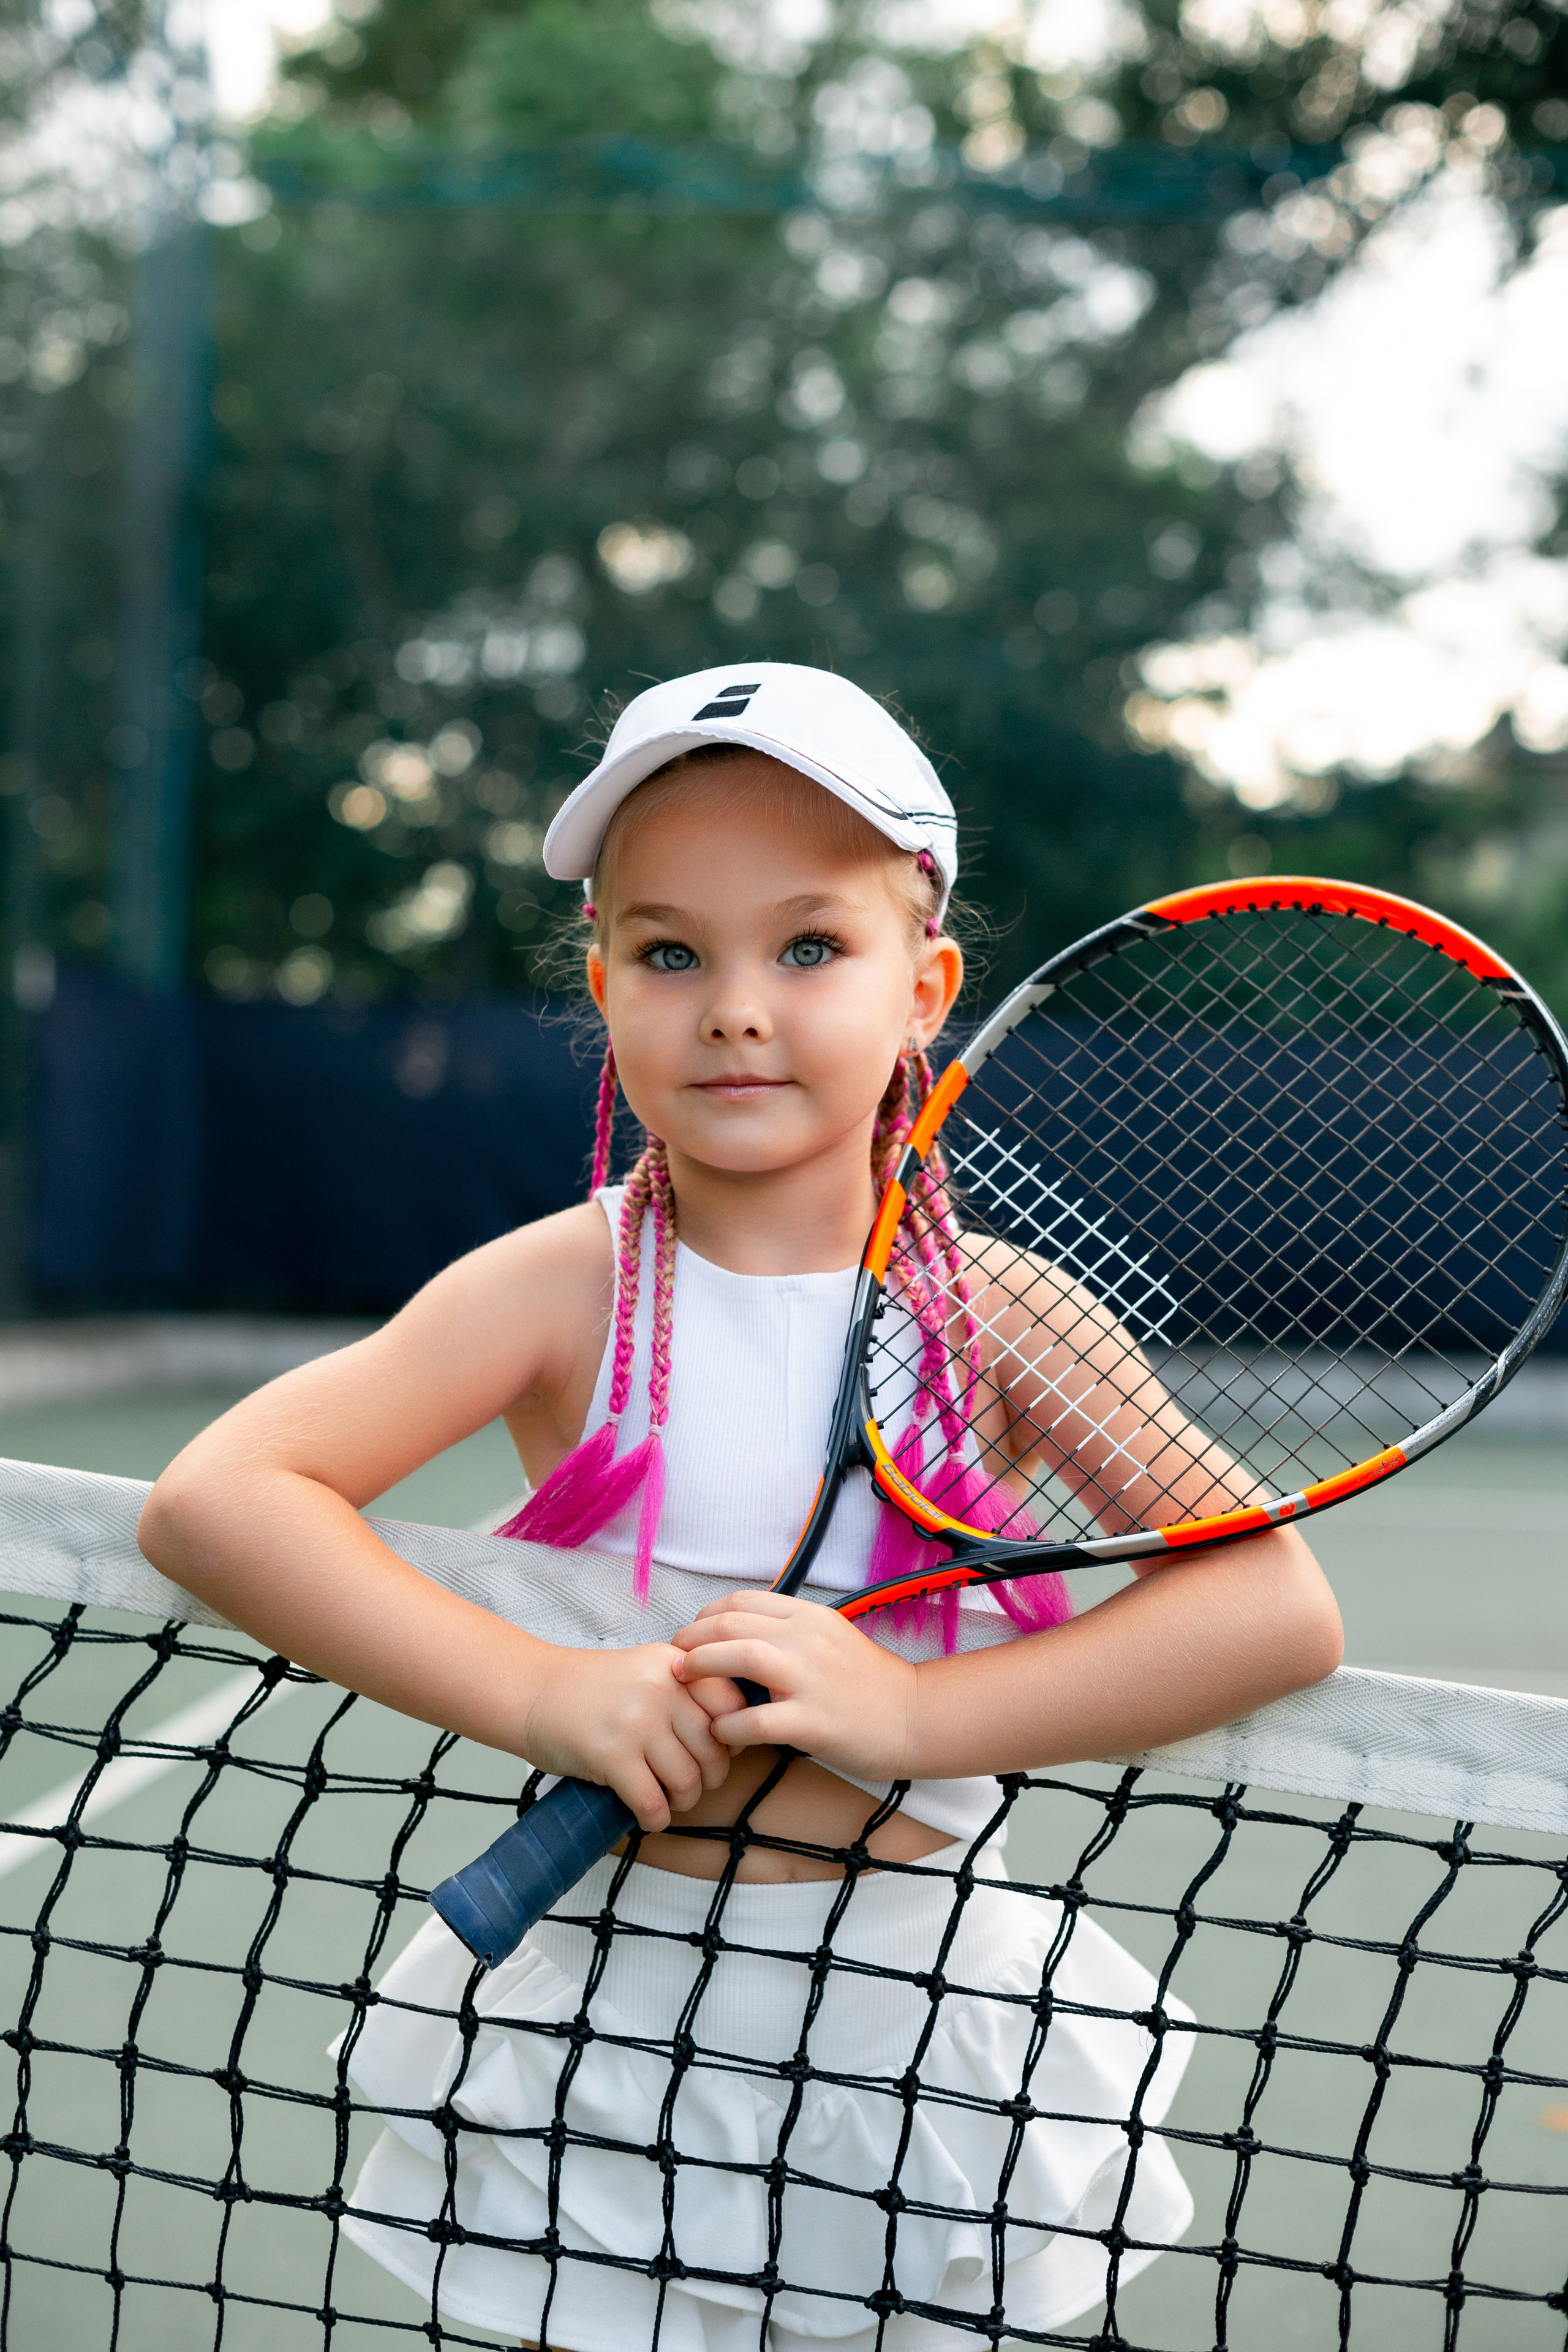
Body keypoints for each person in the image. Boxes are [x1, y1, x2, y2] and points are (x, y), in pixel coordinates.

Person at [138, 662, 1343, 2351]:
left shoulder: (1003, 1316)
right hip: (605, 2006)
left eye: (809, 947)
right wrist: (542, 1692)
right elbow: (219, 1499)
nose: (734, 1009)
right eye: (669, 954)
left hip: (919, 2010)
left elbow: (1271, 1607)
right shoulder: (558, 1286)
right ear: (602, 986)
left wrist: (914, 1718)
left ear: (926, 988)